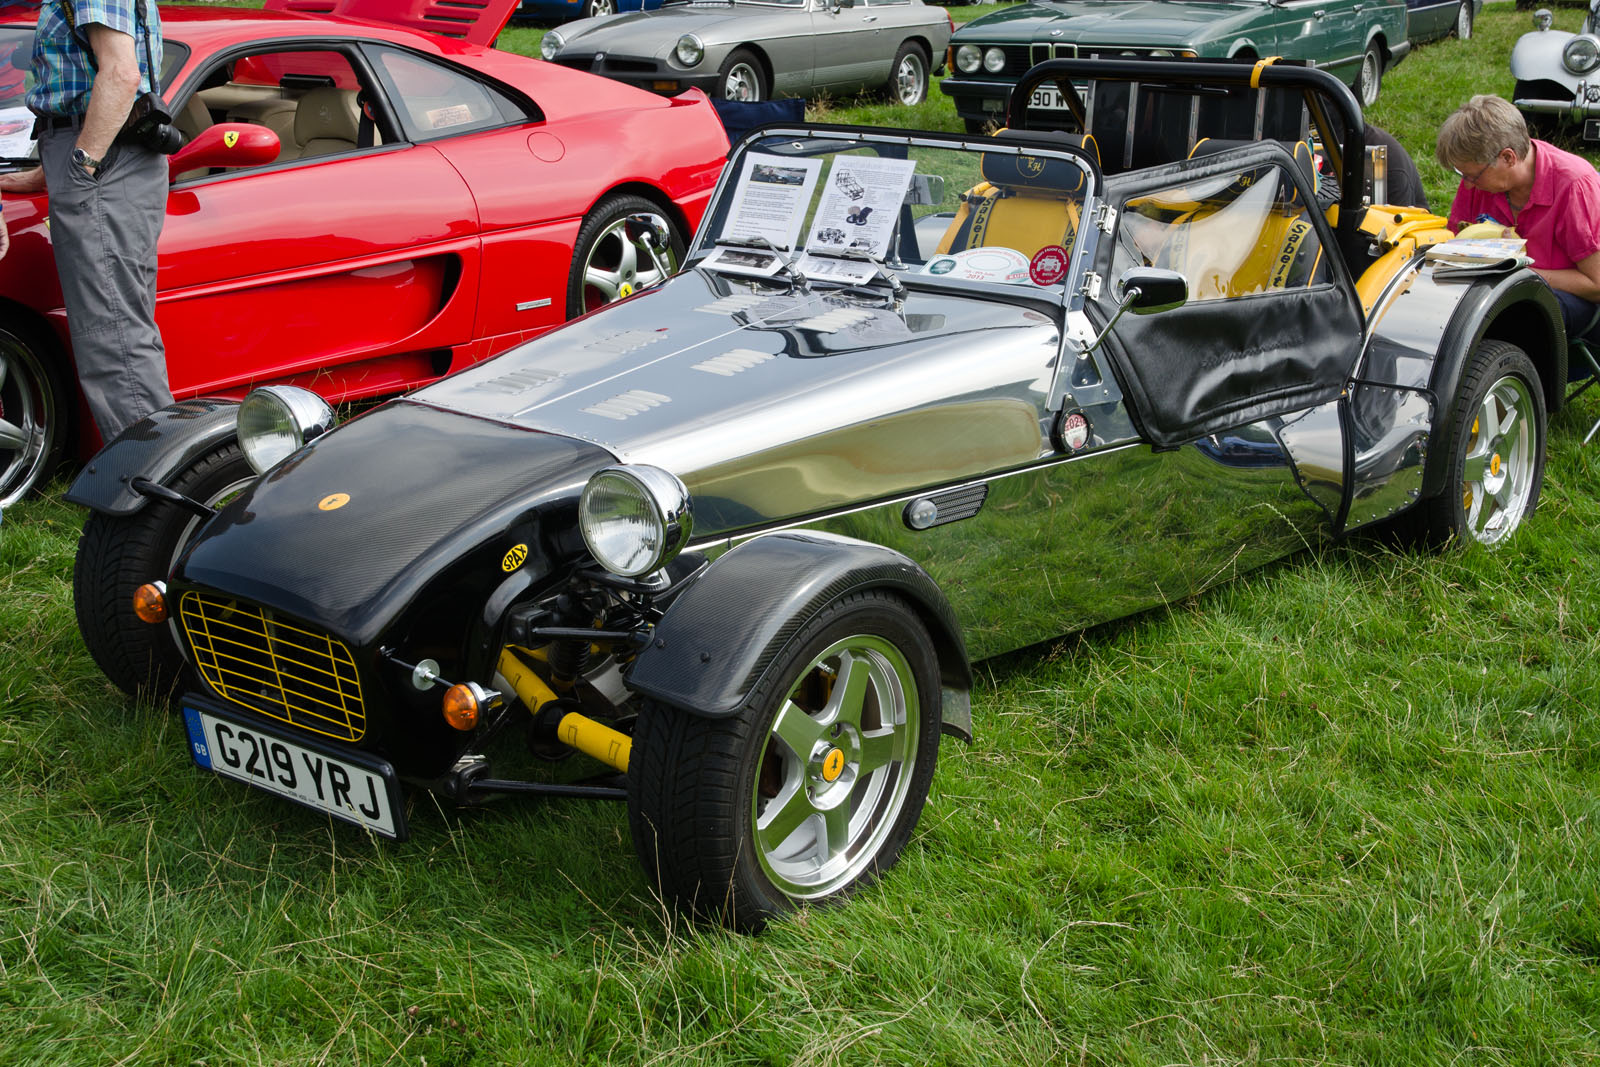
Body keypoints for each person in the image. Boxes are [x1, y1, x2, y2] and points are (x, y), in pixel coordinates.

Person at [0, 0, 173, 441]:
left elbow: (121, 74)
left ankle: (148, 486)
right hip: (99, 156)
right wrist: (49, 170)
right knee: (119, 327)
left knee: (112, 336)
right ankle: (158, 475)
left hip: (104, 162)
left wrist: (81, 165)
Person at [1436, 94, 1600, 354]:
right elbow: (1455, 245)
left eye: (1473, 176)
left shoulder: (1573, 185)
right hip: (1497, 291)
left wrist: (1519, 274)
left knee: (1515, 317)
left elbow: (1596, 284)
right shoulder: (1481, 177)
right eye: (1462, 175)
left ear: (1509, 158)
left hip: (1574, 302)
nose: (1466, 184)